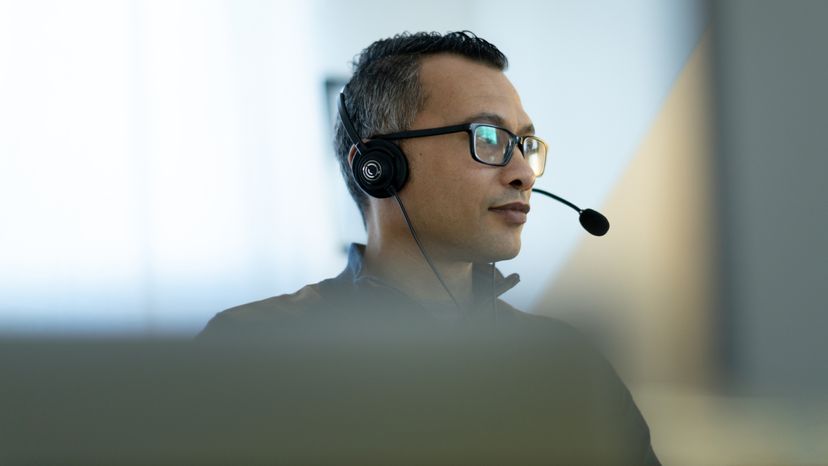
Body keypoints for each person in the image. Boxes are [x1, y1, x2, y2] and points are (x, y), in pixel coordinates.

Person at [198, 31, 660, 464]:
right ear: (379, 166)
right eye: (488, 137)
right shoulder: (253, 348)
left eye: (523, 143)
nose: (524, 172)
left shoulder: (566, 363)